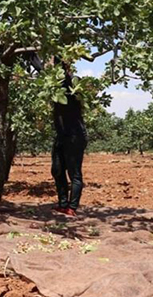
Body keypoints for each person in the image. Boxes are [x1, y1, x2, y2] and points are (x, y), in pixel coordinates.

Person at [51, 62, 87, 217]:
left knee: (74, 174)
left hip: (75, 137)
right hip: (61, 136)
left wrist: (58, 58)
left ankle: (72, 207)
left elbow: (62, 76)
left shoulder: (71, 89)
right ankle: (63, 203)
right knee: (57, 170)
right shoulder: (56, 89)